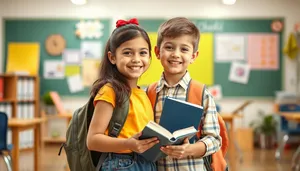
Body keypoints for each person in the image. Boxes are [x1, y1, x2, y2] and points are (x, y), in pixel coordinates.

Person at [149, 17, 222, 171]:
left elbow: (214, 140)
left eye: (184, 49)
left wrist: (189, 150)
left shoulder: (201, 93)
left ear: (193, 56)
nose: (176, 54)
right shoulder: (149, 92)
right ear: (157, 51)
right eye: (169, 47)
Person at [86, 18, 159, 171]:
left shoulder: (143, 93)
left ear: (150, 57)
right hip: (121, 164)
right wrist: (128, 144)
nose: (136, 59)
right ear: (112, 57)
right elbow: (92, 140)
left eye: (143, 53)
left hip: (146, 162)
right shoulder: (109, 91)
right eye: (127, 53)